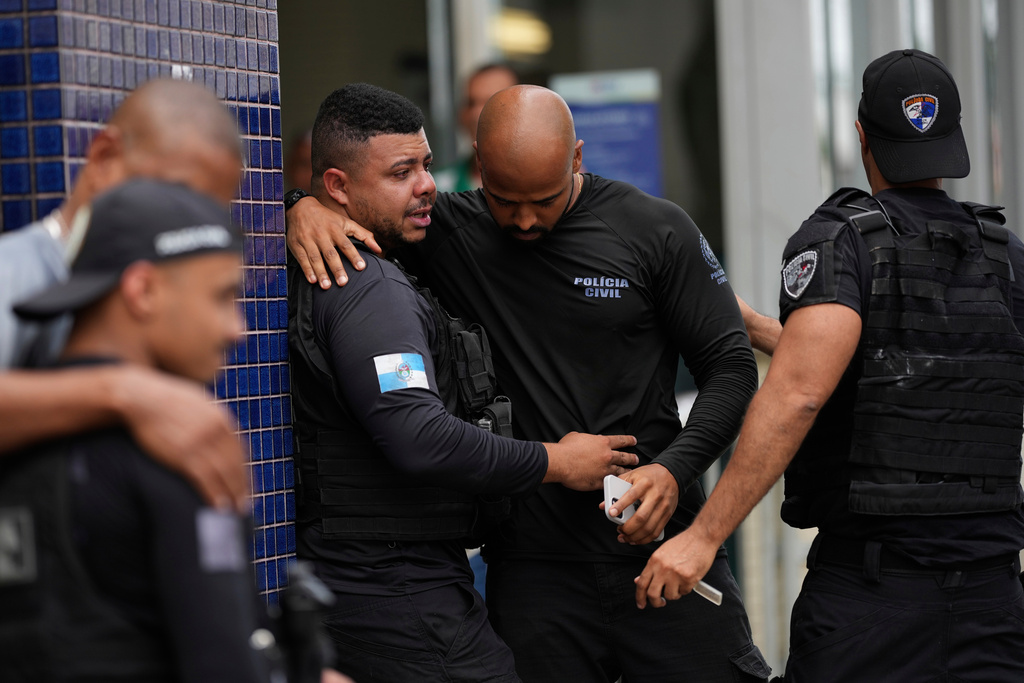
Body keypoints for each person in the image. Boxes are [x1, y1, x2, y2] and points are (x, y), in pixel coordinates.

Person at [287, 84, 771, 682]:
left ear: (577, 160)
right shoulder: (446, 229)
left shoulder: (655, 230)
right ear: (478, 167)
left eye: (542, 200)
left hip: (661, 555)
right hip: (533, 573)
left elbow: (730, 367)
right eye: (503, 198)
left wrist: (676, 469)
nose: (522, 219)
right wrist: (300, 206)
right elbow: (360, 204)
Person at [633, 48, 1024, 682]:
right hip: (994, 602)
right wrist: (748, 323)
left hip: (874, 600)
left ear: (862, 133)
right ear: (953, 141)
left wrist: (703, 537)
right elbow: (906, 360)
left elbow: (799, 394)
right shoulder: (1006, 258)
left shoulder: (842, 242)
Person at [0, 79, 374, 511]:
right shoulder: (18, 272)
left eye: (210, 207)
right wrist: (123, 393)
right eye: (176, 193)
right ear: (104, 157)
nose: (188, 219)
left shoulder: (158, 292)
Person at [0, 179, 272, 681]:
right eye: (222, 297)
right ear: (142, 290)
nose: (239, 328)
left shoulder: (21, 426)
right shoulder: (180, 442)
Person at [432, 63, 519, 193]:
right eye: (470, 103)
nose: (476, 113)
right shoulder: (436, 188)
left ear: (520, 111)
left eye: (490, 101)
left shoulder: (544, 184)